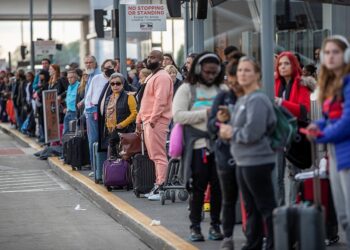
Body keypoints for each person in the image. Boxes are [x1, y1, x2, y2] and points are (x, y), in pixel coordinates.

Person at [219, 56, 277, 250]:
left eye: (247, 70)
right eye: (240, 70)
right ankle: (253, 243)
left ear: (257, 74)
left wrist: (230, 132)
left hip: (257, 160)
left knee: (265, 206)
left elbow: (253, 132)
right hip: (244, 160)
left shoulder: (258, 99)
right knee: (251, 207)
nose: (242, 74)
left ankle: (273, 244)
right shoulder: (245, 98)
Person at [173, 52, 224, 242]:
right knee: (197, 188)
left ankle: (215, 225)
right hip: (197, 146)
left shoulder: (223, 89)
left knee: (218, 188)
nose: (210, 75)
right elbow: (178, 115)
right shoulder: (187, 90)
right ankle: (195, 226)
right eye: (206, 71)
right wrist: (207, 113)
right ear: (197, 70)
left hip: (220, 144)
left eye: (214, 71)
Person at [306, 35, 350, 249]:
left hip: (346, 152)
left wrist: (322, 135)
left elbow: (347, 121)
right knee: (343, 216)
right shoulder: (332, 83)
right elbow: (328, 116)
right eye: (327, 52)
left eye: (336, 52)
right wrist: (318, 126)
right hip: (335, 152)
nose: (331, 56)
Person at [207, 60, 241, 250]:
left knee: (252, 199)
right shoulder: (223, 97)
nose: (236, 79)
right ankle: (227, 236)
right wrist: (219, 124)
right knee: (228, 198)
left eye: (243, 73)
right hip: (225, 154)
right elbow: (211, 125)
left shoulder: (253, 97)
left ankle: (254, 235)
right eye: (233, 75)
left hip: (248, 155)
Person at [274, 51, 314, 205]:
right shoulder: (275, 83)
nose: (283, 67)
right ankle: (280, 210)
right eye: (280, 64)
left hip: (294, 134)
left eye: (286, 63)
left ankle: (292, 207)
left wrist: (280, 102)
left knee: (294, 174)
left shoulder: (301, 84)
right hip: (277, 133)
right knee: (277, 175)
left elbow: (303, 110)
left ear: (294, 65)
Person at [136, 50, 173, 201]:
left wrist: (152, 119)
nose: (149, 59)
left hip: (156, 122)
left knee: (158, 156)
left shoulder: (163, 77)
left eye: (153, 57)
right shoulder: (153, 76)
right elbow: (144, 101)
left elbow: (160, 100)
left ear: (160, 60)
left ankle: (161, 186)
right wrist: (139, 120)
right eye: (149, 57)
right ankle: (158, 184)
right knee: (153, 156)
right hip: (148, 121)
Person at [84, 59, 115, 173]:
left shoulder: (116, 79)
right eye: (106, 67)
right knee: (94, 140)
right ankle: (95, 168)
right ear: (102, 68)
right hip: (94, 111)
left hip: (110, 112)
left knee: (108, 140)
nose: (108, 69)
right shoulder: (97, 78)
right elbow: (89, 96)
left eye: (110, 67)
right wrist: (88, 112)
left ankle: (107, 168)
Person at [104, 73, 137, 159]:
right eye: (112, 84)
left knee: (126, 157)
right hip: (112, 133)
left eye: (118, 83)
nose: (115, 86)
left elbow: (134, 113)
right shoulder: (109, 98)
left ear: (122, 84)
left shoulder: (129, 96)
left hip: (126, 132)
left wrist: (122, 124)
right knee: (114, 159)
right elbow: (107, 115)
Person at [63, 70, 79, 135]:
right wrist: (66, 108)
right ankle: (66, 145)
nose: (69, 79)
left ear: (76, 77)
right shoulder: (69, 86)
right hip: (68, 111)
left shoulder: (79, 86)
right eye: (68, 78)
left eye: (71, 77)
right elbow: (69, 99)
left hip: (75, 112)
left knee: (73, 132)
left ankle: (72, 145)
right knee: (66, 131)